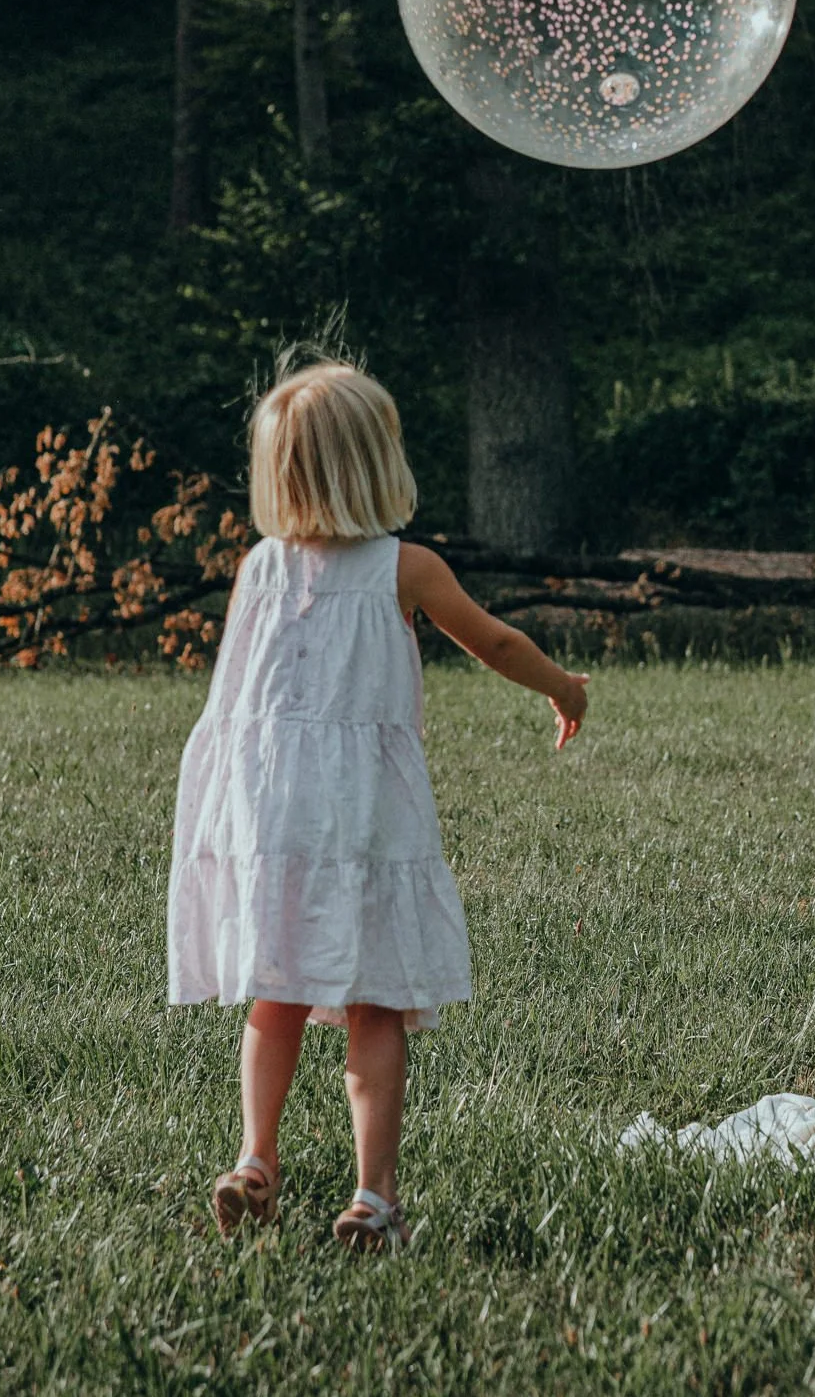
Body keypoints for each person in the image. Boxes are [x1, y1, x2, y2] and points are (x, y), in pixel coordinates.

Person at [167, 360, 589, 1253]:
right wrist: (564, 687)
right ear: (376, 464)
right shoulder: (407, 566)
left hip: (272, 817)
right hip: (361, 818)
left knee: (274, 995)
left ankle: (255, 1158)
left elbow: (233, 703)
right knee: (376, 1006)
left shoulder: (258, 570)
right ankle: (373, 1198)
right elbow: (497, 641)